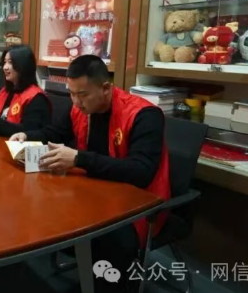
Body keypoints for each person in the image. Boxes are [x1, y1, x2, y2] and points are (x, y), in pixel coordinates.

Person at [9, 55, 169, 293]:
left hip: (136, 204)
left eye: (82, 95)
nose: (76, 102)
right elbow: (55, 133)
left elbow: (141, 172)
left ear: (106, 88)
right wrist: (27, 136)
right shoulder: (79, 109)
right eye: (71, 94)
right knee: (38, 205)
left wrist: (78, 158)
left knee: (111, 241)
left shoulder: (144, 115)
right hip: (93, 191)